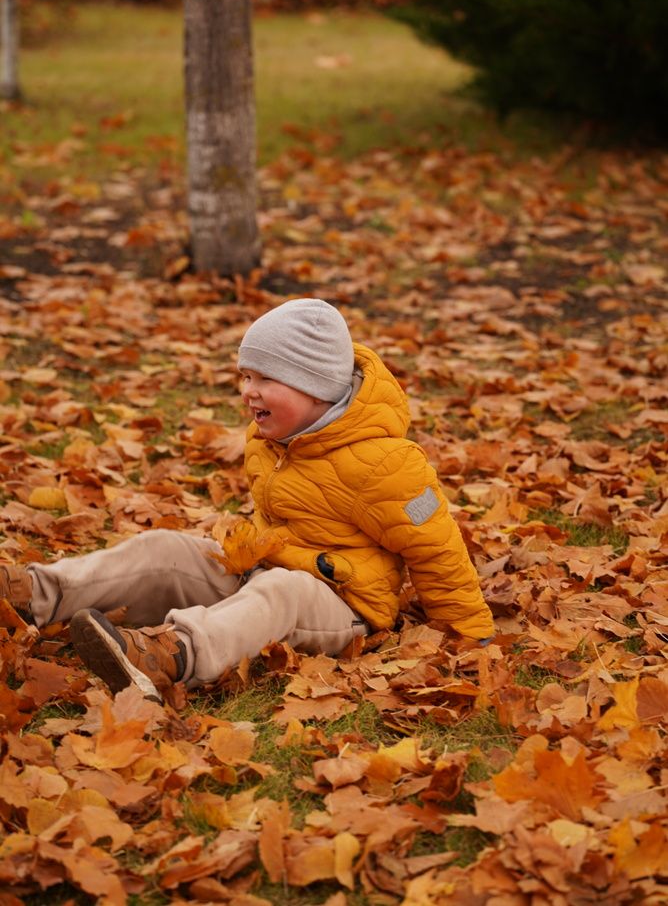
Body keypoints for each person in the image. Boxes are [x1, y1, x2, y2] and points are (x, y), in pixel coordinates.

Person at [0, 299, 493, 702]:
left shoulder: (386, 464)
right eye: (246, 376)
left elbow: (436, 546)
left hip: (342, 604)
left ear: (317, 389)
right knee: (165, 549)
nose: (247, 392)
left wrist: (466, 634)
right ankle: (32, 593)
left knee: (280, 593)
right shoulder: (274, 436)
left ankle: (168, 653)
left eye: (264, 380)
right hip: (263, 561)